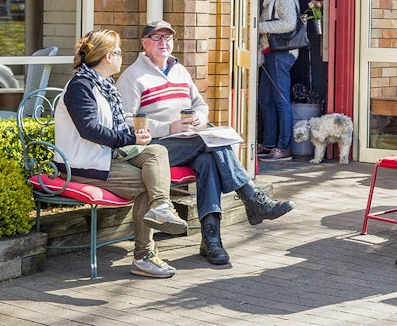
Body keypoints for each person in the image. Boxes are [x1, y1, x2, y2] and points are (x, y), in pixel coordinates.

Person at [117, 20, 297, 266]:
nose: (164, 43)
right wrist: (167, 127)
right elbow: (126, 121)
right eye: (157, 38)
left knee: (208, 158)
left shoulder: (179, 71)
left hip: (189, 142)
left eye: (168, 38)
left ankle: (211, 240)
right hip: (155, 148)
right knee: (213, 144)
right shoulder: (133, 76)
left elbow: (201, 105)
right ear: (144, 43)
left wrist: (200, 118)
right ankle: (252, 199)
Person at [55, 29, 189, 279]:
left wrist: (139, 136)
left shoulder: (104, 85)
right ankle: (144, 256)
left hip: (107, 155)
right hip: (83, 163)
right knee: (146, 185)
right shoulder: (80, 86)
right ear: (107, 57)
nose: (121, 57)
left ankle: (161, 206)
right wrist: (130, 138)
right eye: (118, 52)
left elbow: (113, 126)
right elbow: (89, 130)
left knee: (156, 151)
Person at [256, 0, 303, 161]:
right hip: (271, 54)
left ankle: (284, 147)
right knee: (265, 100)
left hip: (281, 54)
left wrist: (260, 27)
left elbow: (289, 23)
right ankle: (268, 144)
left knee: (281, 100)